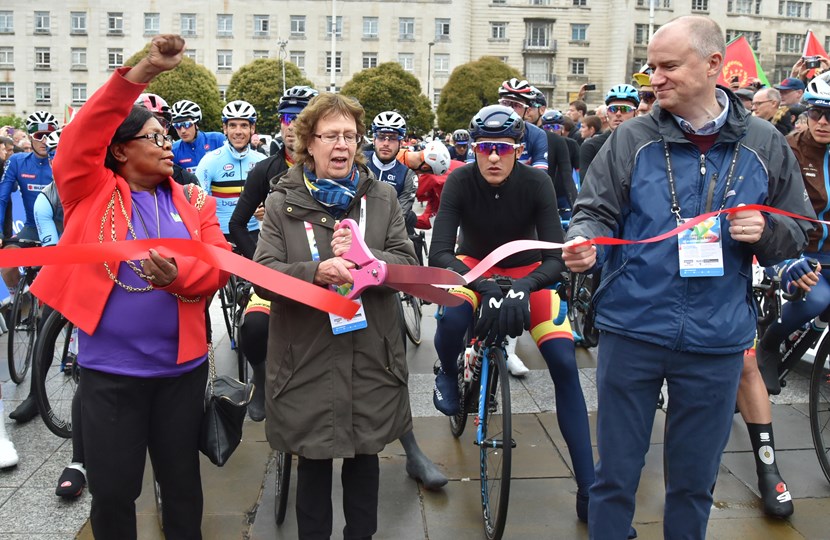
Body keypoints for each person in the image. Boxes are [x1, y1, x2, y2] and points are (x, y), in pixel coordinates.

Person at [562, 15, 814, 539]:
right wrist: (583, 240)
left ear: (714, 65)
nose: (654, 78)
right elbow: (594, 209)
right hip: (632, 328)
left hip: (717, 339)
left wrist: (767, 228)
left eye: (669, 65)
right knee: (614, 478)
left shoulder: (765, 143)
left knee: (695, 482)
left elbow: (799, 231)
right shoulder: (631, 137)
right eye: (651, 67)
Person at [30, 34, 231, 538]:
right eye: (155, 137)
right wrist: (141, 72)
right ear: (120, 150)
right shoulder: (88, 191)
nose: (168, 145)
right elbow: (84, 134)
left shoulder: (192, 200)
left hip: (180, 375)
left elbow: (223, 263)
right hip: (111, 376)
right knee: (115, 493)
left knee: (182, 487)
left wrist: (181, 276)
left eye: (169, 137)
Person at [253, 91, 417, 540]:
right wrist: (314, 272)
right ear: (309, 142)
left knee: (365, 462)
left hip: (371, 355)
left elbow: (406, 264)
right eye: (331, 136)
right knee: (314, 465)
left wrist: (369, 258)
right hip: (306, 357)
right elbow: (263, 275)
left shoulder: (381, 197)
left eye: (350, 135)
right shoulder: (281, 202)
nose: (342, 145)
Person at [429, 104, 596, 523]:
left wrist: (525, 286)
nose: (493, 157)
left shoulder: (537, 182)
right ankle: (449, 371)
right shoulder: (460, 181)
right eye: (484, 147)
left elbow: (555, 256)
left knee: (563, 362)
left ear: (518, 149)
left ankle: (590, 489)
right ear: (473, 149)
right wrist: (483, 285)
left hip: (526, 273)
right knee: (450, 319)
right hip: (473, 267)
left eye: (503, 148)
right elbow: (441, 252)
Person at [0, 111, 59, 424]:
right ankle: (16, 298)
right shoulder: (18, 162)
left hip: (66, 232)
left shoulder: (59, 161)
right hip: (33, 229)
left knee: (52, 303)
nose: (44, 140)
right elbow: (2, 195)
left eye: (49, 134)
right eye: (38, 134)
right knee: (7, 262)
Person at [195, 99, 266, 241]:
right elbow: (197, 204)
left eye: (244, 125)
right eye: (233, 125)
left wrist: (266, 209)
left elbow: (273, 199)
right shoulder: (209, 161)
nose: (238, 131)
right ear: (225, 128)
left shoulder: (262, 160)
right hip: (221, 234)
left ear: (252, 129)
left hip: (253, 232)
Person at [365, 111, 419, 234]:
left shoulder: (407, 176)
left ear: (401, 142)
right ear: (373, 139)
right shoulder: (358, 162)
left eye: (393, 138)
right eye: (381, 136)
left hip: (386, 235)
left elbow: (400, 217)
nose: (386, 143)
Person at [135, 93, 199, 187]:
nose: (156, 127)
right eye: (145, 121)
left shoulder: (185, 180)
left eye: (162, 122)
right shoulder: (111, 174)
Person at [579, 85, 639, 184]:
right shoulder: (591, 146)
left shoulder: (645, 143)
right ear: (607, 113)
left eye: (625, 109)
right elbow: (587, 185)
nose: (618, 113)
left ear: (635, 113)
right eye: (613, 109)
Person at [170, 99, 225, 173]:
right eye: (177, 126)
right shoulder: (173, 149)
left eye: (187, 124)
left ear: (196, 124)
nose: (182, 131)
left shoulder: (217, 140)